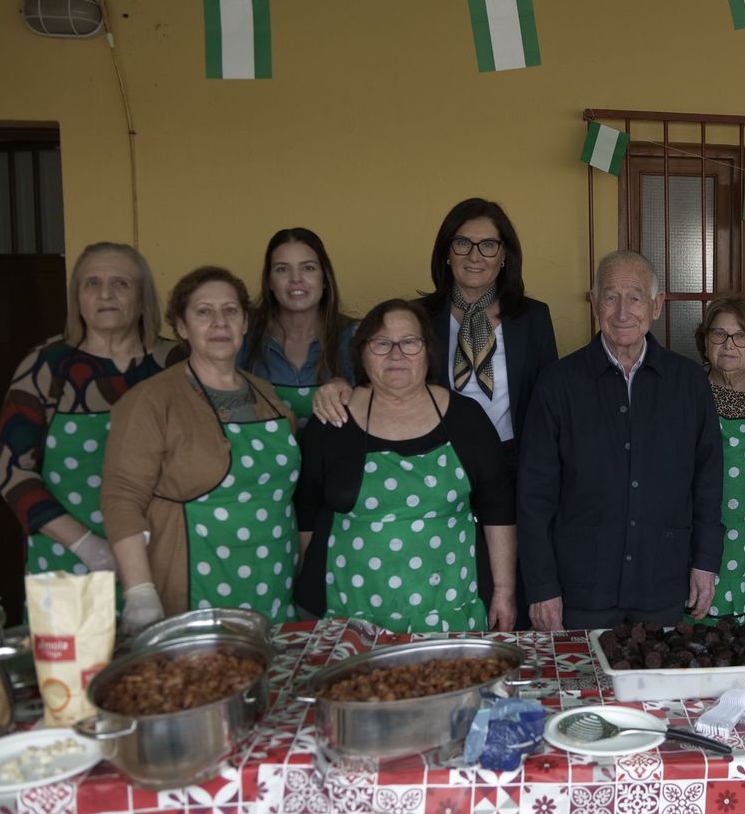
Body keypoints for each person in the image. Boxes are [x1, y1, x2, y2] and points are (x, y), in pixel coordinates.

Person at [313, 198, 557, 618]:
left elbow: (547, 400)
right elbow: (382, 375)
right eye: (462, 243)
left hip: (515, 464)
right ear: (446, 253)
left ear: (505, 257)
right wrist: (336, 384)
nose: (474, 256)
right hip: (441, 463)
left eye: (488, 245)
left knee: (507, 583)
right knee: (453, 567)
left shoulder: (532, 317)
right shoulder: (420, 316)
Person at [518, 250, 721, 629]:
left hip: (662, 579)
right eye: (610, 297)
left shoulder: (689, 382)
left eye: (635, 297)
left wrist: (705, 561)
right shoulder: (558, 384)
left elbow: (707, 480)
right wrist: (541, 586)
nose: (622, 311)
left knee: (661, 684)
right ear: (595, 303)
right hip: (581, 586)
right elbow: (534, 494)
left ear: (656, 305)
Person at [295, 300, 515, 631]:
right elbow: (306, 512)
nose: (396, 354)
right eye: (381, 343)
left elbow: (498, 509)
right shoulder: (332, 420)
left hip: (450, 610)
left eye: (410, 342)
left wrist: (504, 591)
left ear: (428, 350)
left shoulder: (466, 418)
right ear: (362, 352)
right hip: (347, 614)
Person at [102, 266, 299, 633]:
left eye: (230, 311)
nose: (219, 322)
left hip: (271, 580)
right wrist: (140, 591)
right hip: (191, 584)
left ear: (244, 323)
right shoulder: (152, 400)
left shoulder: (266, 395)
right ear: (181, 327)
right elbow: (121, 496)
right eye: (203, 312)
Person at [0, 243, 178, 576]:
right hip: (69, 561)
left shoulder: (175, 363)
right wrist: (87, 546)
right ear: (77, 296)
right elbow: (11, 471)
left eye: (121, 283)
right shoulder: (46, 366)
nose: (105, 294)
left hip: (166, 558)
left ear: (143, 296)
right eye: (91, 283)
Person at [695, 296, 745, 620]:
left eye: (741, 336)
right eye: (718, 334)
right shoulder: (689, 387)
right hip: (704, 524)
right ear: (705, 341)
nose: (729, 345)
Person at [239, 228, 354, 425]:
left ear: (324, 279)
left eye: (308, 268)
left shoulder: (353, 337)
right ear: (270, 282)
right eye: (282, 269)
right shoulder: (244, 336)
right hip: (263, 455)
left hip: (335, 456)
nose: (296, 279)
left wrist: (343, 386)